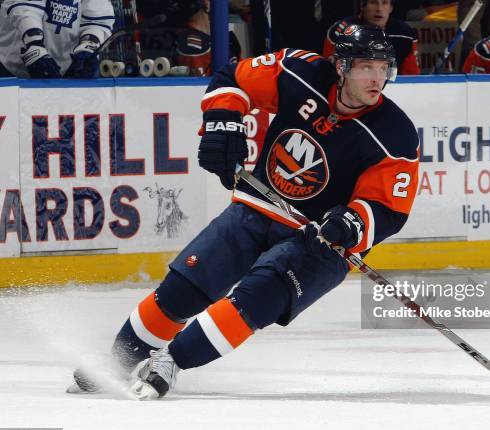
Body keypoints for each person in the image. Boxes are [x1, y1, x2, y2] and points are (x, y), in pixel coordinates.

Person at [67, 25, 420, 399]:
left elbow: (388, 208)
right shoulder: (299, 70)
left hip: (319, 243)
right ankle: (119, 359)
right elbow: (233, 79)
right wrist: (223, 123)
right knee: (185, 285)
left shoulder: (396, 134)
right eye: (367, 67)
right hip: (260, 205)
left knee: (256, 296)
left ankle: (172, 361)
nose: (377, 78)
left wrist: (350, 223)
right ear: (342, 66)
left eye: (383, 68)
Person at [0, 0, 114, 78]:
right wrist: (34, 43)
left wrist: (89, 45)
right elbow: (24, 7)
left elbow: (97, 12)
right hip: (12, 69)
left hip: (66, 70)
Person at [323, 0, 421, 75]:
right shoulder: (340, 31)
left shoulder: (405, 34)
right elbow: (329, 73)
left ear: (391, 8)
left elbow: (411, 77)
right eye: (373, 2)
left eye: (385, 3)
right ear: (362, 5)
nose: (379, 9)